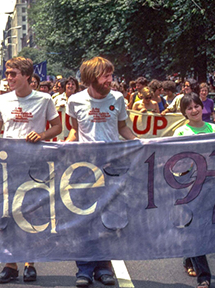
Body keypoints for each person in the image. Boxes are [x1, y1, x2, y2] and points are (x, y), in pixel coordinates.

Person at [0, 57, 62, 284]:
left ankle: (30, 262)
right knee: (7, 214)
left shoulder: (44, 99)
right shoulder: (1, 100)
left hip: (34, 165)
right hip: (8, 165)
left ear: (27, 76)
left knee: (30, 213)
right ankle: (10, 264)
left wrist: (42, 135)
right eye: (7, 73)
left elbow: (58, 127)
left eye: (13, 74)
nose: (9, 78)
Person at [66, 57, 136, 287]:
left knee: (108, 220)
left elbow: (123, 128)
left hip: (112, 169)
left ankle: (104, 268)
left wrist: (140, 143)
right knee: (85, 220)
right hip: (85, 171)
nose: (110, 80)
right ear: (91, 77)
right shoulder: (75, 101)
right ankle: (84, 270)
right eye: (105, 75)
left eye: (110, 75)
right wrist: (63, 148)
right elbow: (74, 132)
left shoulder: (117, 98)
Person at [173, 92, 215, 288]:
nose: (194, 110)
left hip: (214, 185)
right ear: (184, 112)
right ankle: (204, 276)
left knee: (212, 226)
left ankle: (189, 257)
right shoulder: (181, 133)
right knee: (196, 227)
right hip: (191, 187)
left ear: (203, 107)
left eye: (196, 106)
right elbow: (174, 161)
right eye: (189, 108)